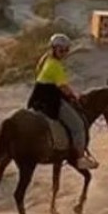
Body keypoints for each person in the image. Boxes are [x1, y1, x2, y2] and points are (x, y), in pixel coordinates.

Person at [27, 33, 98, 170]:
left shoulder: (45, 61)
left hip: (37, 98)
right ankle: (79, 159)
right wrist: (75, 96)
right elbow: (63, 88)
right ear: (54, 49)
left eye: (66, 50)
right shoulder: (56, 66)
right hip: (50, 100)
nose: (64, 53)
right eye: (61, 50)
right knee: (78, 126)